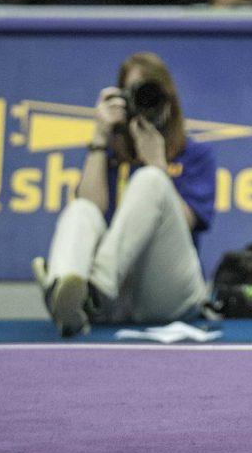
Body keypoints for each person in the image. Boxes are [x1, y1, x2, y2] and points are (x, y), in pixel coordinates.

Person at [32, 51, 215, 335]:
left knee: (151, 180)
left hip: (168, 292)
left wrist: (157, 165)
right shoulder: (109, 153)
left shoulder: (194, 153)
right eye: (134, 94)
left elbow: (187, 222)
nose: (143, 103)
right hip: (119, 297)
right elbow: (90, 207)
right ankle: (67, 293)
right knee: (79, 210)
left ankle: (89, 293)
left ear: (169, 99)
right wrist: (99, 140)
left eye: (151, 93)